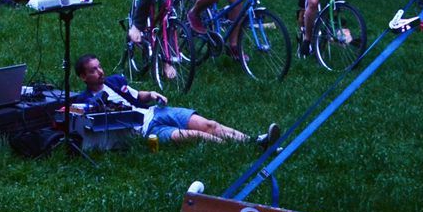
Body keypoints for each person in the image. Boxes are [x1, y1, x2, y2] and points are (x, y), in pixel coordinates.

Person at [69, 54, 278, 149]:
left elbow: (136, 95)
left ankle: (253, 140)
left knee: (209, 125)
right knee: (197, 136)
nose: (100, 72)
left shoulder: (114, 81)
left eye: (99, 67)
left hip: (154, 112)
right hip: (146, 132)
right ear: (83, 77)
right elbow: (79, 118)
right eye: (93, 70)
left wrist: (152, 93)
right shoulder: (84, 100)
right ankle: (247, 149)